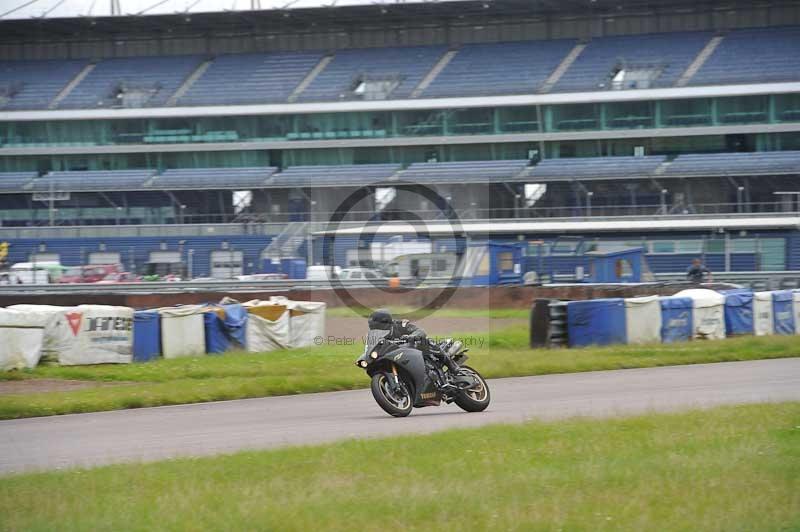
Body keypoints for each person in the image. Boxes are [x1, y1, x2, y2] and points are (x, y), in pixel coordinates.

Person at [367, 309, 459, 380]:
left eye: (378, 326)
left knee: (424, 341)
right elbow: (371, 347)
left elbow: (420, 331)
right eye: (373, 326)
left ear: (385, 322)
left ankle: (451, 365)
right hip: (399, 356)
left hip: (415, 348)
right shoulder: (374, 336)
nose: (376, 328)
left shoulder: (400, 325)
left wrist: (411, 337)